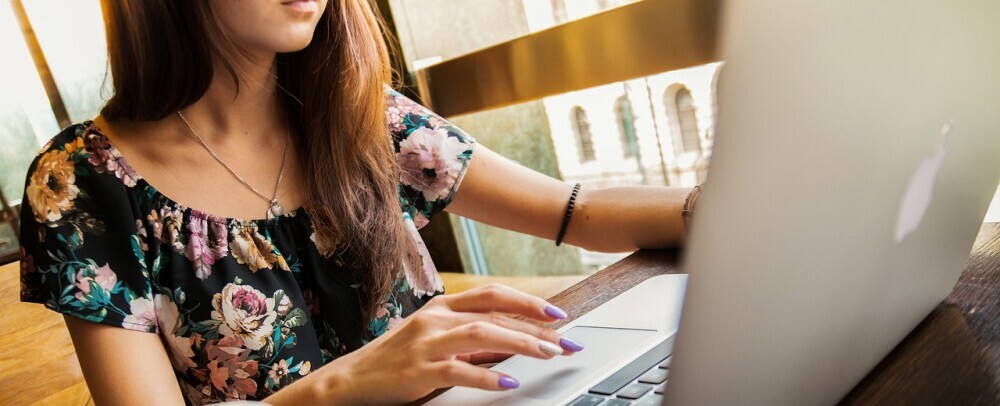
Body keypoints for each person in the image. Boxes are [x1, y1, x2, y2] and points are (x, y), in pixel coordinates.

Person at [18, 0, 692, 404]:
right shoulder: (82, 185)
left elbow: (575, 210)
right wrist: (347, 385)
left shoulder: (353, 112)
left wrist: (741, 203)